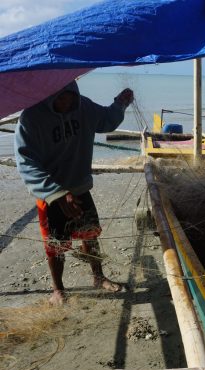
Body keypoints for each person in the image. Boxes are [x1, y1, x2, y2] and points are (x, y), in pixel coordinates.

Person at [15, 81, 134, 305]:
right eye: (59, 98)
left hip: (79, 186)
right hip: (50, 194)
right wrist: (56, 193)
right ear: (48, 94)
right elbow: (26, 162)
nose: (65, 102)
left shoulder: (84, 107)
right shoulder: (31, 118)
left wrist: (120, 103)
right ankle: (58, 290)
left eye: (69, 97)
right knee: (55, 244)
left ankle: (98, 277)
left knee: (90, 234)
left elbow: (107, 120)